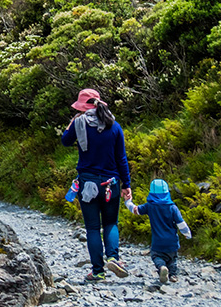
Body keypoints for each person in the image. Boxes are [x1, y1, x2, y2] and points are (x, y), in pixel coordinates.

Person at [61, 88, 132, 283]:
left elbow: (65, 141)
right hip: (112, 183)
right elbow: (121, 158)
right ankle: (113, 258)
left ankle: (98, 271)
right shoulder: (114, 126)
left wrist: (71, 124)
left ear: (83, 107)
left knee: (93, 228)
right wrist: (127, 184)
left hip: (87, 184)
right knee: (110, 223)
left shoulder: (79, 123)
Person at [125, 179, 192, 284]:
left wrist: (127, 201)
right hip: (172, 241)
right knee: (173, 259)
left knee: (156, 256)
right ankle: (173, 275)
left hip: (157, 242)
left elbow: (135, 210)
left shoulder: (150, 206)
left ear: (151, 193)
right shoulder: (172, 207)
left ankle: (162, 267)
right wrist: (187, 234)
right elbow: (181, 223)